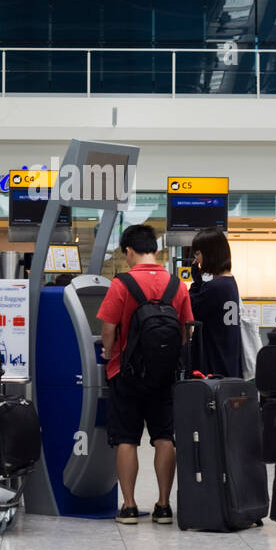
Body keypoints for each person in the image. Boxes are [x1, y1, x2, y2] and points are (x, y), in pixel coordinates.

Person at [97, 224, 193, 524]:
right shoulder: (176, 285)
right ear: (154, 248)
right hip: (164, 374)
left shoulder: (121, 284)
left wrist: (108, 353)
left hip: (126, 372)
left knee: (127, 438)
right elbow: (186, 330)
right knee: (165, 436)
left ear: (129, 250)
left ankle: (128, 506)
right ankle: (164, 506)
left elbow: (109, 329)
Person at [188, 227, 242, 378]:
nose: (196, 260)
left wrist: (196, 282)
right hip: (227, 363)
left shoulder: (215, 287)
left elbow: (190, 307)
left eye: (198, 254)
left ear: (210, 254)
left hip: (214, 368)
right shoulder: (229, 282)